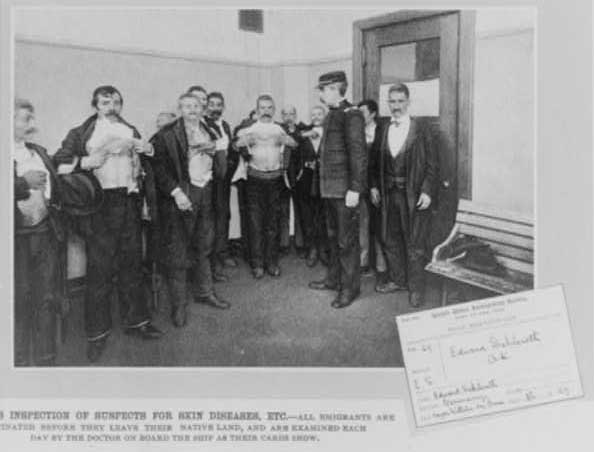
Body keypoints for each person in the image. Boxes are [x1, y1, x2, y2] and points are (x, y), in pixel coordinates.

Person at [53, 85, 163, 362]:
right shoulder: (81, 133)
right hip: (99, 207)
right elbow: (59, 164)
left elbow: (150, 163)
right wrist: (89, 160)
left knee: (132, 265)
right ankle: (97, 334)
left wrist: (147, 148)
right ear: (95, 106)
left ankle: (137, 321)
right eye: (105, 102)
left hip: (128, 202)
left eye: (116, 102)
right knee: (99, 272)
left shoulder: (130, 129)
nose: (111, 106)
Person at [150, 92, 231, 328]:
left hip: (206, 193)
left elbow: (220, 163)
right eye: (187, 106)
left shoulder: (211, 130)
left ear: (202, 108)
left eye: (196, 105)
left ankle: (205, 292)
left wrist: (216, 150)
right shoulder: (167, 134)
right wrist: (176, 193)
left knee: (204, 245)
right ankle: (179, 306)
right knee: (179, 252)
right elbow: (159, 169)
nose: (193, 109)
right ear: (180, 108)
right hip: (182, 196)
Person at [369, 83, 438, 307]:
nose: (396, 106)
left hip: (413, 196)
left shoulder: (421, 129)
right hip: (388, 196)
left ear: (408, 102)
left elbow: (432, 165)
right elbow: (374, 162)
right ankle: (398, 280)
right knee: (390, 239)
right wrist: (373, 187)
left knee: (415, 242)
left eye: (400, 101)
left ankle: (416, 288)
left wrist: (427, 191)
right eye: (392, 101)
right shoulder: (383, 128)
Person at [308, 71, 366, 309]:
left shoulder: (351, 115)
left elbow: (358, 154)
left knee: (346, 241)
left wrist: (355, 188)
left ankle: (350, 289)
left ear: (334, 89)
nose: (321, 94)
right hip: (329, 189)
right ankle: (334, 280)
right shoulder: (334, 114)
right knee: (333, 238)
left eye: (323, 89)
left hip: (344, 191)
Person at [13, 98, 64, 366]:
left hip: (44, 234)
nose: (32, 124)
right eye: (25, 119)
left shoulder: (39, 151)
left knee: (46, 297)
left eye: (33, 119)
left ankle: (46, 360)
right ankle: (17, 363)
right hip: (15, 241)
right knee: (17, 300)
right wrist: (23, 182)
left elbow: (55, 178)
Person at [236, 94, 296, 279]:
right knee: (255, 223)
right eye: (262, 108)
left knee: (273, 223)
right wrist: (246, 140)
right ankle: (257, 264)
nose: (266, 111)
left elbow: (295, 144)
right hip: (255, 180)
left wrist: (287, 141)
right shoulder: (249, 128)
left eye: (269, 107)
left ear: (274, 110)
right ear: (257, 109)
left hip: (275, 180)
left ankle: (272, 262)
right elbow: (235, 144)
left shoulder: (279, 128)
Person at [206, 91, 238, 277]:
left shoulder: (225, 125)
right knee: (211, 219)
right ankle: (212, 259)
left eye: (219, 105)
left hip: (224, 180)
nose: (215, 108)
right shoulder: (203, 125)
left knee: (224, 215)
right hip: (210, 181)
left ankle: (222, 252)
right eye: (212, 104)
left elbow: (229, 152)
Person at [292, 105, 328, 267]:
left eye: (319, 114)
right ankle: (312, 249)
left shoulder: (330, 132)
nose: (316, 117)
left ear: (325, 115)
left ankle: (323, 250)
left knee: (323, 216)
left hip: (325, 180)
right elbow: (293, 138)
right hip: (306, 179)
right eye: (313, 114)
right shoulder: (304, 132)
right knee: (307, 216)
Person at [357, 99, 389, 284]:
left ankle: (382, 267)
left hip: (377, 186)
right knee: (362, 224)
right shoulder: (356, 132)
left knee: (379, 226)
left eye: (363, 112)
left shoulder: (382, 131)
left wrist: (374, 185)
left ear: (373, 114)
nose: (360, 116)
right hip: (360, 185)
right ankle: (363, 263)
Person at [279, 105, 308, 256]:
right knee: (283, 209)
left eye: (291, 114)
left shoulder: (302, 130)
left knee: (300, 208)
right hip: (281, 174)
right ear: (282, 116)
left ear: (295, 115)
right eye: (285, 114)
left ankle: (300, 243)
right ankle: (283, 243)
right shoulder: (277, 131)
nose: (288, 117)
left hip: (298, 174)